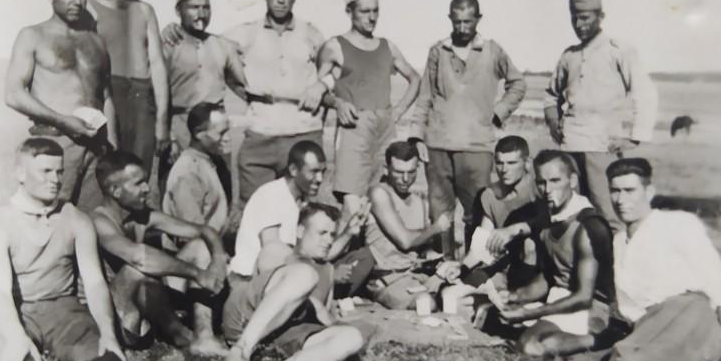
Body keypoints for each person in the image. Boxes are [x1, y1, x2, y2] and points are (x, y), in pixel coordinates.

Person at [535, 157, 721, 361]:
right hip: (646, 332)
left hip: (693, 319)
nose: (621, 199)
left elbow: (720, 285)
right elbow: (625, 316)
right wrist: (578, 341)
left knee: (645, 344)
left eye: (630, 191)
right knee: (596, 360)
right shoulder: (619, 242)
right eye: (615, 191)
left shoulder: (678, 224)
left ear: (649, 192)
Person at [0, 138, 184, 361]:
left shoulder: (74, 218)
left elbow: (95, 282)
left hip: (63, 308)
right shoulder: (0, 223)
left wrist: (109, 334)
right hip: (20, 310)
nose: (55, 179)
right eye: (46, 172)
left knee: (94, 346)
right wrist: (16, 336)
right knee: (16, 351)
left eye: (59, 171)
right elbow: (0, 292)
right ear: (20, 174)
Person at [409, 0, 527, 257]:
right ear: (450, 19)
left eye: (468, 22)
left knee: (478, 212)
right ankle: (443, 265)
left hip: (477, 147)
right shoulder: (438, 51)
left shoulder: (492, 50)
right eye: (457, 22)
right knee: (440, 212)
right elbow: (425, 96)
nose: (462, 28)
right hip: (438, 146)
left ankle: (476, 267)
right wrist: (417, 136)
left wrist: (498, 113)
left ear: (478, 19)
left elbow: (518, 84)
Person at [90, 150, 229, 357]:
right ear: (116, 191)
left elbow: (204, 231)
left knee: (200, 246)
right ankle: (181, 335)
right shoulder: (99, 222)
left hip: (150, 303)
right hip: (121, 317)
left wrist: (218, 260)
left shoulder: (141, 216)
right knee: (137, 270)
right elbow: (138, 258)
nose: (147, 189)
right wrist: (198, 274)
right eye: (138, 184)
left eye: (146, 181)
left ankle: (204, 336)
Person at [4, 0, 117, 210]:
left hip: (96, 148)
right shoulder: (32, 36)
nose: (77, 1)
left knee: (93, 223)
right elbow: (13, 95)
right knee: (49, 218)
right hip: (54, 144)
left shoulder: (96, 41)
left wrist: (113, 151)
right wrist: (63, 121)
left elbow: (106, 96)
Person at [544, 0, 659, 224]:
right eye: (574, 17)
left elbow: (644, 92)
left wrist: (634, 137)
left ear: (600, 16)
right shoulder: (569, 56)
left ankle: (615, 260)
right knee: (570, 213)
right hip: (570, 146)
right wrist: (554, 121)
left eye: (585, 17)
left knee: (608, 213)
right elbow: (550, 95)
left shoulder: (618, 51)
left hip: (601, 146)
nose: (578, 24)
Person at [493, 150, 623, 358]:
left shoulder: (588, 226)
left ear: (572, 180)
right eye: (542, 183)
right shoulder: (550, 220)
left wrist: (529, 312)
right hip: (561, 301)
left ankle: (604, 339)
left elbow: (584, 296)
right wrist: (516, 296)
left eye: (555, 181)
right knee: (494, 317)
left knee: (530, 345)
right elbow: (549, 277)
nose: (547, 190)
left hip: (590, 309)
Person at [222, 202, 368, 361]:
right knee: (306, 275)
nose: (329, 240)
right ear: (299, 231)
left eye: (332, 234)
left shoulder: (328, 270)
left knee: (352, 337)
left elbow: (325, 317)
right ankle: (240, 350)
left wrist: (335, 321)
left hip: (284, 334)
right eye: (322, 233)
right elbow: (273, 288)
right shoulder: (280, 250)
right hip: (248, 320)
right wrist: (317, 307)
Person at [223, 0, 328, 208]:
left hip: (303, 131)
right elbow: (216, 51)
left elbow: (334, 66)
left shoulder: (310, 33)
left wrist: (321, 86)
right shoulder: (246, 33)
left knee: (302, 208)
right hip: (261, 132)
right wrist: (242, 92)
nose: (280, 0)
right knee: (257, 208)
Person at [317, 0, 421, 202]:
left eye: (375, 11)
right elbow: (316, 90)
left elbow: (415, 78)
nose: (372, 17)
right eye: (365, 11)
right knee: (352, 200)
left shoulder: (387, 46)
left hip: (385, 129)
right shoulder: (335, 46)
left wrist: (398, 111)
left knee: (385, 197)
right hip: (354, 127)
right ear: (349, 11)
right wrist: (338, 103)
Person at [229, 140, 374, 295]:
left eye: (323, 172)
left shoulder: (302, 202)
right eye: (313, 171)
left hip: (288, 272)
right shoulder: (271, 195)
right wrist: (328, 275)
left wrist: (349, 232)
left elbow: (317, 252)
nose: (319, 179)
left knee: (364, 257)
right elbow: (271, 254)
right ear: (293, 170)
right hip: (253, 281)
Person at [88, 0, 169, 188]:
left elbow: (157, 65)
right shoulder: (89, 7)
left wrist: (162, 123)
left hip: (142, 104)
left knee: (139, 180)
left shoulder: (145, 10)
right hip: (108, 99)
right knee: (110, 177)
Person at [160, 0, 247, 185]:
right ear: (178, 10)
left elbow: (244, 86)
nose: (201, 14)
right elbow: (155, 94)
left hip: (216, 131)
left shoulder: (222, 45)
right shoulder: (168, 45)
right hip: (179, 129)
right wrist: (168, 136)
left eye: (206, 8)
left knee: (218, 191)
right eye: (194, 8)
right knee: (177, 189)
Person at [361, 141, 456, 309]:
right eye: (399, 172)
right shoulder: (379, 194)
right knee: (426, 303)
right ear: (386, 168)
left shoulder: (419, 202)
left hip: (416, 274)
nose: (405, 179)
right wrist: (436, 227)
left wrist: (444, 265)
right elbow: (405, 241)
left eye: (411, 172)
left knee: (456, 296)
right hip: (388, 278)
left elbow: (425, 248)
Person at [459, 135, 537, 275]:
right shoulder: (489, 195)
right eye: (500, 163)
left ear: (527, 163)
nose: (504, 169)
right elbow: (481, 245)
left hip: (539, 262)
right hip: (505, 264)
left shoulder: (539, 189)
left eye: (512, 163)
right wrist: (461, 269)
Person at [163, 102, 235, 245]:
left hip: (214, 243)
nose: (227, 138)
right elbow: (191, 234)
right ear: (198, 133)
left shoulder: (211, 161)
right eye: (221, 133)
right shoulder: (188, 172)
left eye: (228, 131)